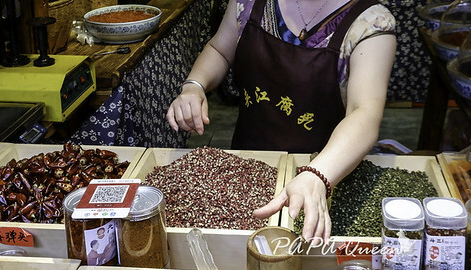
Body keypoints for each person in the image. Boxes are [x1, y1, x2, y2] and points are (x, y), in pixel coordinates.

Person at [166, 0, 396, 243]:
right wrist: (194, 85)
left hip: (325, 170)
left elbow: (365, 112)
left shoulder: (371, 23)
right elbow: (220, 50)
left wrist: (317, 175)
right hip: (245, 168)